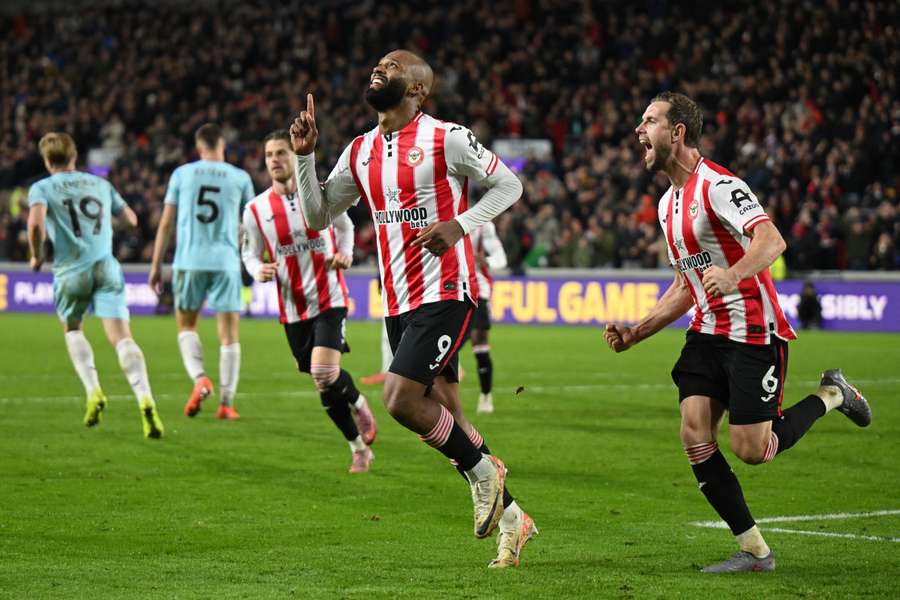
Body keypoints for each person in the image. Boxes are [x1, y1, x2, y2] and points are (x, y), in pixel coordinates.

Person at [605, 92, 872, 573]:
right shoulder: (667, 205)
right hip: (706, 332)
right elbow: (686, 285)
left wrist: (734, 273)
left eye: (649, 121)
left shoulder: (720, 186)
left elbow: (771, 239)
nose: (638, 131)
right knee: (694, 434)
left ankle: (833, 394)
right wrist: (637, 331)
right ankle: (754, 550)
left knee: (752, 450)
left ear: (678, 132)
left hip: (752, 332)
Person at [290, 49, 536, 568]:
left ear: (418, 89)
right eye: (377, 64)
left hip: (445, 291)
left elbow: (509, 184)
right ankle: (514, 520)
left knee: (401, 400)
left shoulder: (446, 137)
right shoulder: (359, 150)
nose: (379, 67)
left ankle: (486, 473)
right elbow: (316, 214)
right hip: (398, 301)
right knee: (450, 415)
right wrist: (306, 157)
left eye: (393, 66)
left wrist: (460, 224)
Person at [242, 130, 377, 473]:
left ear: (294, 156)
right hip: (292, 308)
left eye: (281, 153)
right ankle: (357, 447)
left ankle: (360, 404)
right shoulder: (256, 210)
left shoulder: (317, 196)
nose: (274, 159)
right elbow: (249, 252)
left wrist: (345, 253)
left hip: (329, 296)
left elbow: (345, 227)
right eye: (269, 154)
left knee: (323, 370)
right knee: (322, 380)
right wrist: (258, 268)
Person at [26, 132, 164, 438]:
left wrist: (36, 256)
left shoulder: (41, 187)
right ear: (75, 156)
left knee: (73, 329)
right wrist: (106, 229)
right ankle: (145, 398)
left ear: (48, 161)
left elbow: (35, 224)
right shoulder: (100, 184)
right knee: (123, 339)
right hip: (106, 266)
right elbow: (131, 219)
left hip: (70, 270)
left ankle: (94, 391)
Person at [149, 123, 254, 420]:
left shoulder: (182, 174)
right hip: (225, 262)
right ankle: (227, 404)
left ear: (199, 148)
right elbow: (251, 223)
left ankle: (200, 379)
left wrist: (157, 265)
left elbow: (166, 222)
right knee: (229, 335)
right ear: (222, 146)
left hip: (188, 261)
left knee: (186, 326)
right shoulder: (240, 177)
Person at [467, 221, 507, 414]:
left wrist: (487, 261)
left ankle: (485, 395)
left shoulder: (483, 226)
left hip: (478, 287)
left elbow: (501, 258)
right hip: (449, 286)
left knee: (479, 341)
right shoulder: (440, 214)